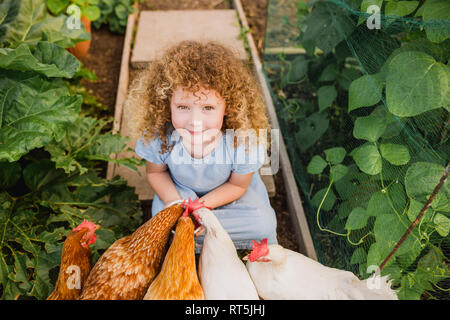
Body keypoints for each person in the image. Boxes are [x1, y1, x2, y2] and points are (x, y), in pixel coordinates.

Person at [127, 40, 277, 250]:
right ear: (165, 104)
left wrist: (201, 209)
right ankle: (195, 234)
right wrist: (174, 204)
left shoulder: (241, 141)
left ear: (228, 107)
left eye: (208, 107)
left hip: (230, 196)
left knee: (263, 224)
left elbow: (237, 185)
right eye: (182, 107)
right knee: (167, 227)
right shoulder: (160, 136)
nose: (195, 121)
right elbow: (156, 173)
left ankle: (197, 235)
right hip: (180, 194)